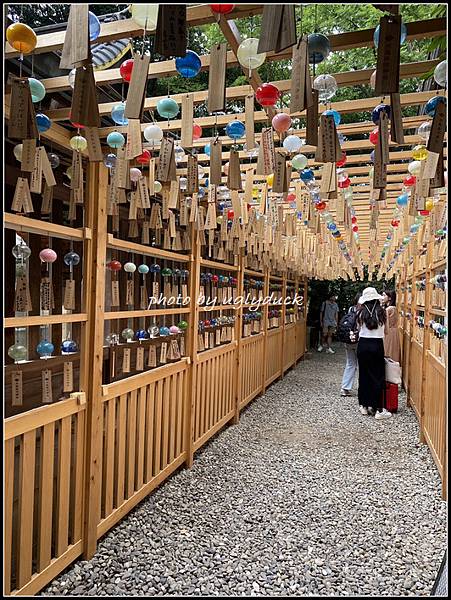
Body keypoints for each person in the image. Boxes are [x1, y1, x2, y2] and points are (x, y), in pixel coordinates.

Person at [350, 287, 392, 420]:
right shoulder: (382, 312)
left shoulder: (360, 313)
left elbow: (357, 328)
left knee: (364, 374)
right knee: (378, 375)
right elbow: (386, 332)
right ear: (376, 298)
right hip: (377, 345)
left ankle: (363, 405)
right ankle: (378, 408)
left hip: (363, 345)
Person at [340, 292, 361, 397]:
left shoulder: (351, 309)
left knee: (350, 363)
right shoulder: (364, 311)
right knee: (361, 364)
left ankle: (345, 388)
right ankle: (362, 388)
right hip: (359, 340)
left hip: (348, 339)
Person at [382, 289, 401, 363]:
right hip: (393, 332)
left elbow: (385, 323)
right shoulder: (393, 308)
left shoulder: (389, 309)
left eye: (384, 295)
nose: (382, 297)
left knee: (388, 352)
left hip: (389, 332)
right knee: (393, 353)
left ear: (389, 298)